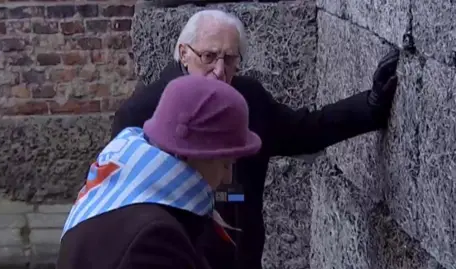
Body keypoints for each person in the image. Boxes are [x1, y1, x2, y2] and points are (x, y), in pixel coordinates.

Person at [111, 9, 400, 269]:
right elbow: (121, 207)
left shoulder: (247, 99)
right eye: (209, 57)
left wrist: (371, 106)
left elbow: (305, 131)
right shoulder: (140, 114)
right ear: (183, 53)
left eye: (230, 59)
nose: (219, 71)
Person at [56, 75, 262, 269]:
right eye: (225, 163)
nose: (227, 177)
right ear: (189, 155)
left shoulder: (120, 188)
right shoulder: (154, 240)